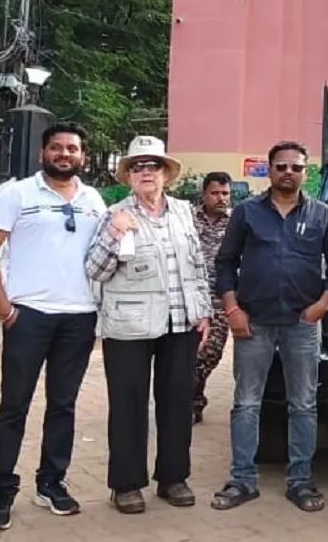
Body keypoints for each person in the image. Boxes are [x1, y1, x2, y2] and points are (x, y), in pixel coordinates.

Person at [0, 122, 107, 531]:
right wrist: (4, 308)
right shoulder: (17, 194)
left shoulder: (94, 200)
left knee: (63, 405)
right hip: (28, 316)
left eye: (72, 148)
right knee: (14, 406)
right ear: (42, 153)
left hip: (79, 317)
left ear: (82, 156)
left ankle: (51, 482)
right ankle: (1, 490)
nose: (64, 154)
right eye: (56, 148)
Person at [210, 142, 328, 513]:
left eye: (296, 167)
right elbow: (225, 263)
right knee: (246, 403)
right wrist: (232, 308)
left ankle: (300, 481)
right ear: (269, 170)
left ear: (305, 172)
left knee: (303, 404)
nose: (288, 172)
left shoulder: (323, 216)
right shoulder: (247, 214)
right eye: (281, 166)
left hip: (302, 323)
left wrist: (323, 304)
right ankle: (242, 481)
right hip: (254, 321)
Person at [85, 136, 212, 514]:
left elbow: (198, 265)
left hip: (181, 322)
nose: (146, 173)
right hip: (128, 325)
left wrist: (203, 310)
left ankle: (173, 478)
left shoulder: (184, 212)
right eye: (138, 167)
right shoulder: (114, 214)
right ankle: (126, 484)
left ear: (165, 174)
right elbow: (94, 271)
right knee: (128, 405)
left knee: (177, 402)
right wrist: (115, 236)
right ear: (129, 175)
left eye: (152, 166)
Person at [193, 171, 234, 424]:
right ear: (204, 194)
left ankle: (193, 397)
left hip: (220, 300)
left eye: (225, 193)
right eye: (215, 193)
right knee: (188, 354)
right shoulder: (186, 219)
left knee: (210, 353)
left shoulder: (237, 222)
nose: (221, 198)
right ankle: (190, 404)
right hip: (190, 298)